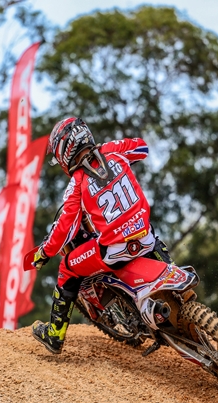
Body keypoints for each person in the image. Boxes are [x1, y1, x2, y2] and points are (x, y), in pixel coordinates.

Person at [31, 117, 160, 354]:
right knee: (149, 235)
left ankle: (54, 335)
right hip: (145, 236)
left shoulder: (77, 183)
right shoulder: (114, 151)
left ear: (65, 151)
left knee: (67, 268)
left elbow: (65, 229)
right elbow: (141, 147)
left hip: (113, 250)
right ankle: (169, 276)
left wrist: (43, 253)